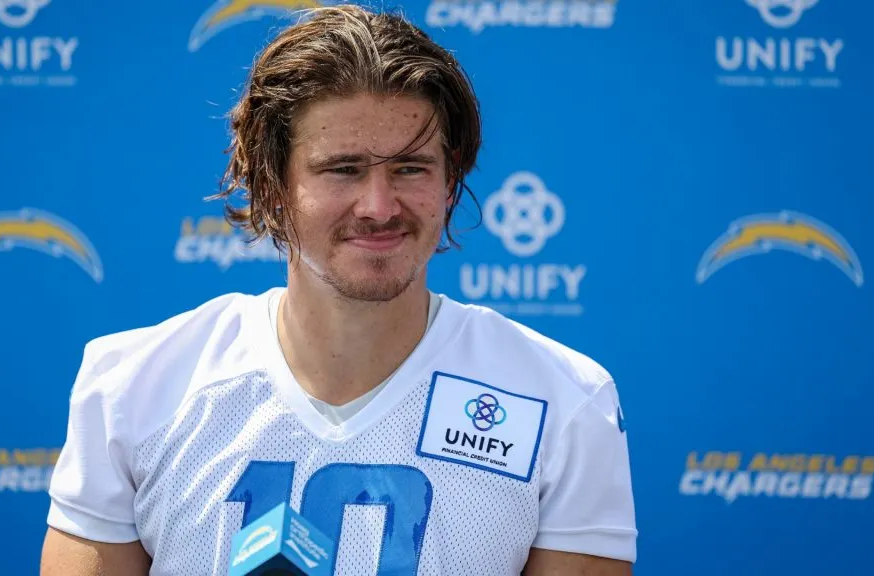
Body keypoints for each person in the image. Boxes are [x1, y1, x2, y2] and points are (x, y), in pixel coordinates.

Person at [39, 5, 637, 575]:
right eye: (343, 169)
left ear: (450, 181)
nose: (379, 206)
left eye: (410, 168)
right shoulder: (133, 388)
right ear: (272, 184)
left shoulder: (564, 403)